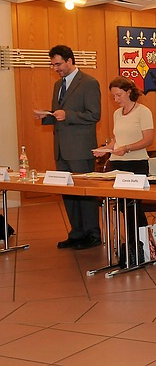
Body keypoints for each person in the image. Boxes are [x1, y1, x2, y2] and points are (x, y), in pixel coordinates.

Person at [35, 45, 101, 250]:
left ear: (70, 60)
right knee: (68, 192)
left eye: (58, 64)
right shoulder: (58, 85)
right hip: (61, 148)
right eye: (53, 65)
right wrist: (46, 115)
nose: (55, 68)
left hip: (80, 148)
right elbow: (59, 114)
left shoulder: (89, 83)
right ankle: (77, 233)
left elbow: (94, 114)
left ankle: (92, 233)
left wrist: (68, 115)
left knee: (84, 192)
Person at [93, 77, 154, 261]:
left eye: (118, 95)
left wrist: (126, 148)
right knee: (122, 205)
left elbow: (148, 139)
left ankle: (138, 244)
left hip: (136, 163)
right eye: (113, 96)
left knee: (132, 206)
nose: (116, 99)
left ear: (128, 92)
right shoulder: (117, 114)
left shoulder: (143, 111)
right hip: (117, 163)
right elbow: (116, 139)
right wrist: (106, 149)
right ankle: (135, 244)